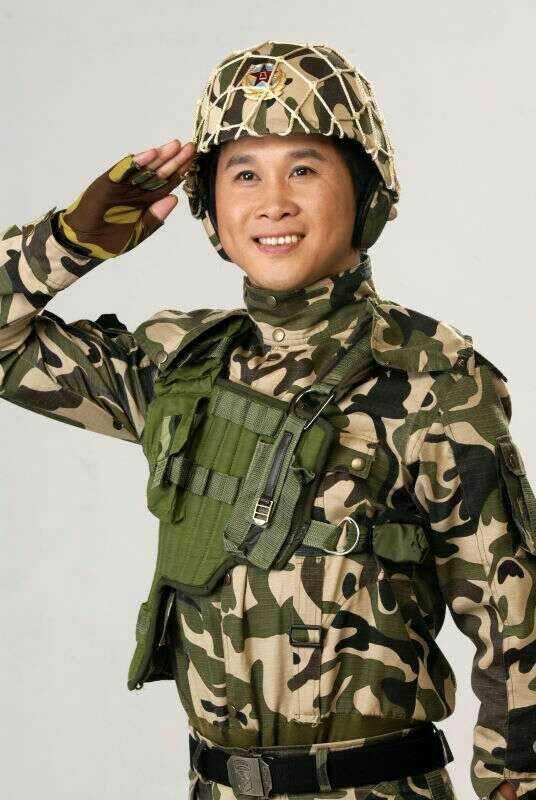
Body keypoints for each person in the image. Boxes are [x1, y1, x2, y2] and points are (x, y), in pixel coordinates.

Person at [1, 40, 535, 800]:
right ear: (210, 206)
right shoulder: (182, 366)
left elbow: (515, 622)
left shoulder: (431, 380)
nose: (272, 201)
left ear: (365, 193)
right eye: (244, 173)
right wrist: (68, 242)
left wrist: (516, 781)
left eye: (304, 169)